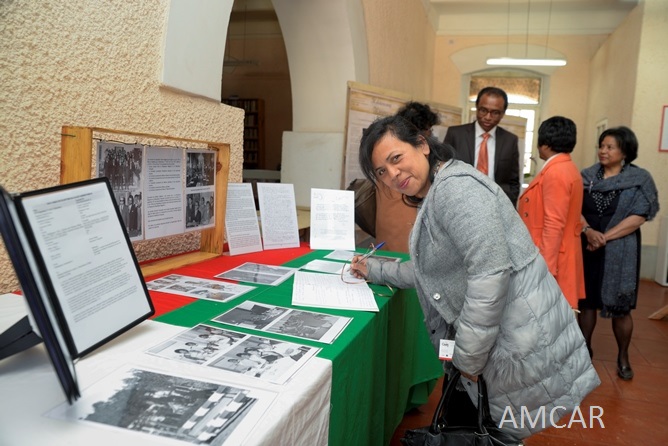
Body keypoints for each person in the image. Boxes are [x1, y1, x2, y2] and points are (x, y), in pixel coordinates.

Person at [350, 115, 599, 441]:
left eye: (396, 158)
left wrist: (466, 359)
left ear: (422, 145)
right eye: (381, 170)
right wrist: (374, 269)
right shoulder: (438, 188)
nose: (392, 175)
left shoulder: (457, 189)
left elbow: (488, 275)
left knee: (484, 432)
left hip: (506, 346)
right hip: (493, 346)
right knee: (477, 428)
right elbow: (431, 268)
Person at [578, 126, 659, 380]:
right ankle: (583, 352)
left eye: (610, 147)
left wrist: (604, 238)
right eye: (601, 145)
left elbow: (639, 216)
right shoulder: (586, 176)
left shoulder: (640, 179)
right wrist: (588, 231)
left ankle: (623, 357)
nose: (603, 151)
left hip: (620, 250)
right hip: (587, 245)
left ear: (625, 151)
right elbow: (572, 207)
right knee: (586, 303)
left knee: (621, 308)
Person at [517, 116, 585, 308]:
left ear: (544, 143)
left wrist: (545, 268)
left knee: (550, 319)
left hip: (553, 258)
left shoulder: (556, 172)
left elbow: (554, 223)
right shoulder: (564, 167)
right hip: (559, 253)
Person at [373, 101, 440, 252]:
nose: (431, 134)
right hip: (407, 252)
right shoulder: (414, 172)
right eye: (428, 129)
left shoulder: (384, 166)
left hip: (385, 248)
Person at [443, 86, 520, 206]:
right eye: (483, 110)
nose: (488, 117)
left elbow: (513, 182)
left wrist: (507, 207)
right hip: (459, 203)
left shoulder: (510, 140)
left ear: (503, 113)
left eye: (495, 113)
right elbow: (443, 171)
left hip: (496, 205)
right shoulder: (456, 134)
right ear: (477, 107)